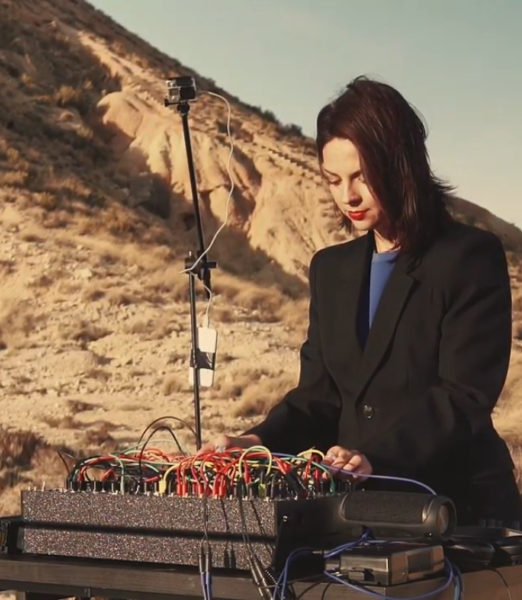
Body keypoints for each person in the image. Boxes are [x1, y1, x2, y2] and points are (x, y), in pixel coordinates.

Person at [206, 75, 522, 527]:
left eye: (361, 176)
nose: (347, 196)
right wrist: (258, 442)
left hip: (458, 512)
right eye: (333, 180)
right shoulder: (330, 269)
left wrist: (375, 457)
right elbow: (318, 398)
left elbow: (463, 398)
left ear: (401, 165)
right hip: (353, 512)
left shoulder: (469, 257)